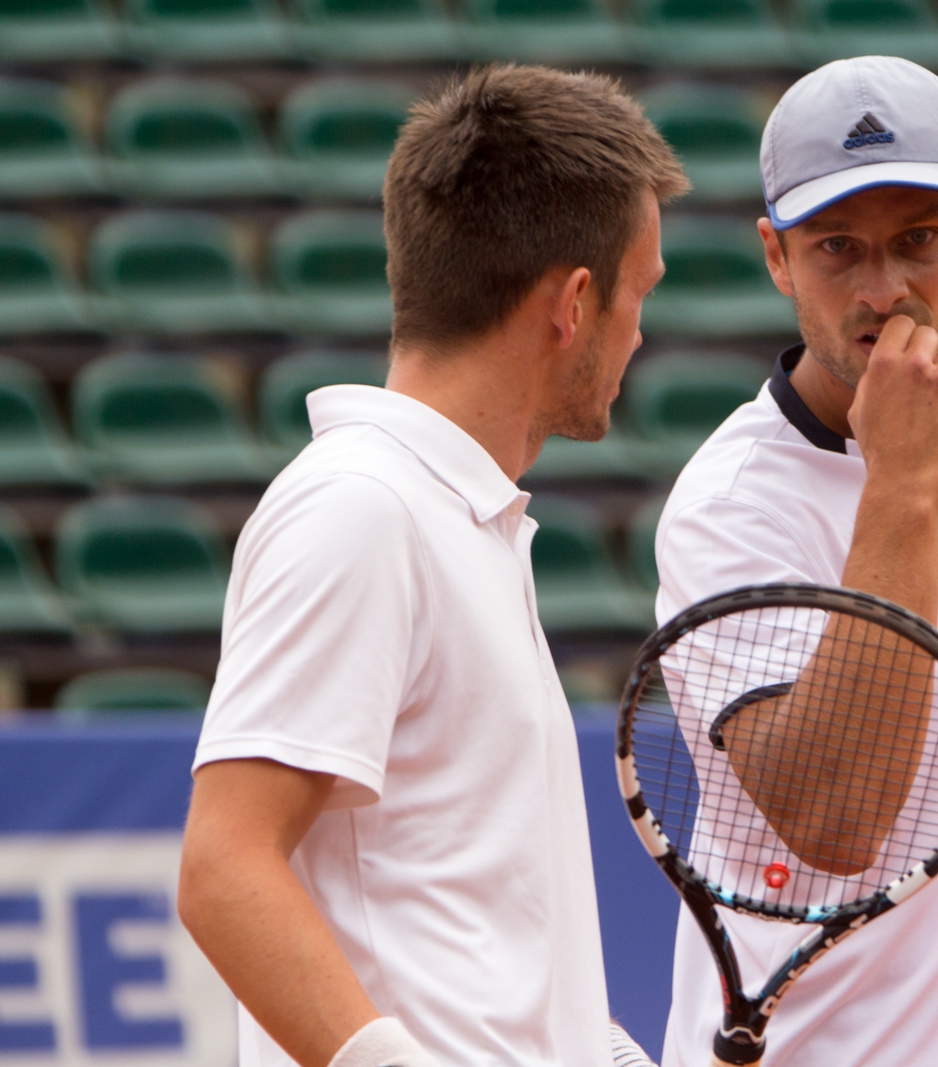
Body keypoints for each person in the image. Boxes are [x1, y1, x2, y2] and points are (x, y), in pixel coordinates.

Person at [176, 65, 687, 1067]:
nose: (641, 330)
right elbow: (224, 869)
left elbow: (461, 927)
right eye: (640, 293)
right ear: (574, 303)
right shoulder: (362, 507)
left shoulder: (456, 518)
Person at [654, 56, 938, 1067]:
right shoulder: (729, 510)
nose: (883, 290)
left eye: (920, 240)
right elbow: (836, 820)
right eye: (837, 250)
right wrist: (902, 488)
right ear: (777, 259)